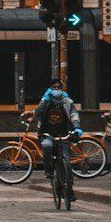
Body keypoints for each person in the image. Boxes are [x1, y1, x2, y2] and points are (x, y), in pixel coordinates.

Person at [33, 79, 82, 211]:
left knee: (67, 162)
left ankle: (69, 191)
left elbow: (74, 115)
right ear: (50, 88)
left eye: (59, 87)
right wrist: (45, 100)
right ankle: (48, 170)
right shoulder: (46, 100)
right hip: (47, 134)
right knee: (47, 147)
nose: (56, 89)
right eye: (54, 87)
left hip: (63, 135)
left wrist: (77, 128)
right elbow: (37, 114)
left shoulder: (67, 101)